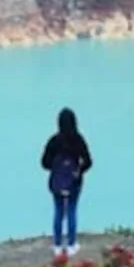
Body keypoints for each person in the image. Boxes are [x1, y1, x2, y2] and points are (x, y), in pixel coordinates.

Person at [41, 107, 93, 256]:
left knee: (58, 212)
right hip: (74, 182)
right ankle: (71, 245)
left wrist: (57, 168)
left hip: (57, 183)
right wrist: (78, 170)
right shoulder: (78, 140)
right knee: (71, 210)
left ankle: (57, 245)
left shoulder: (54, 141)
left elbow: (44, 163)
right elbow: (89, 162)